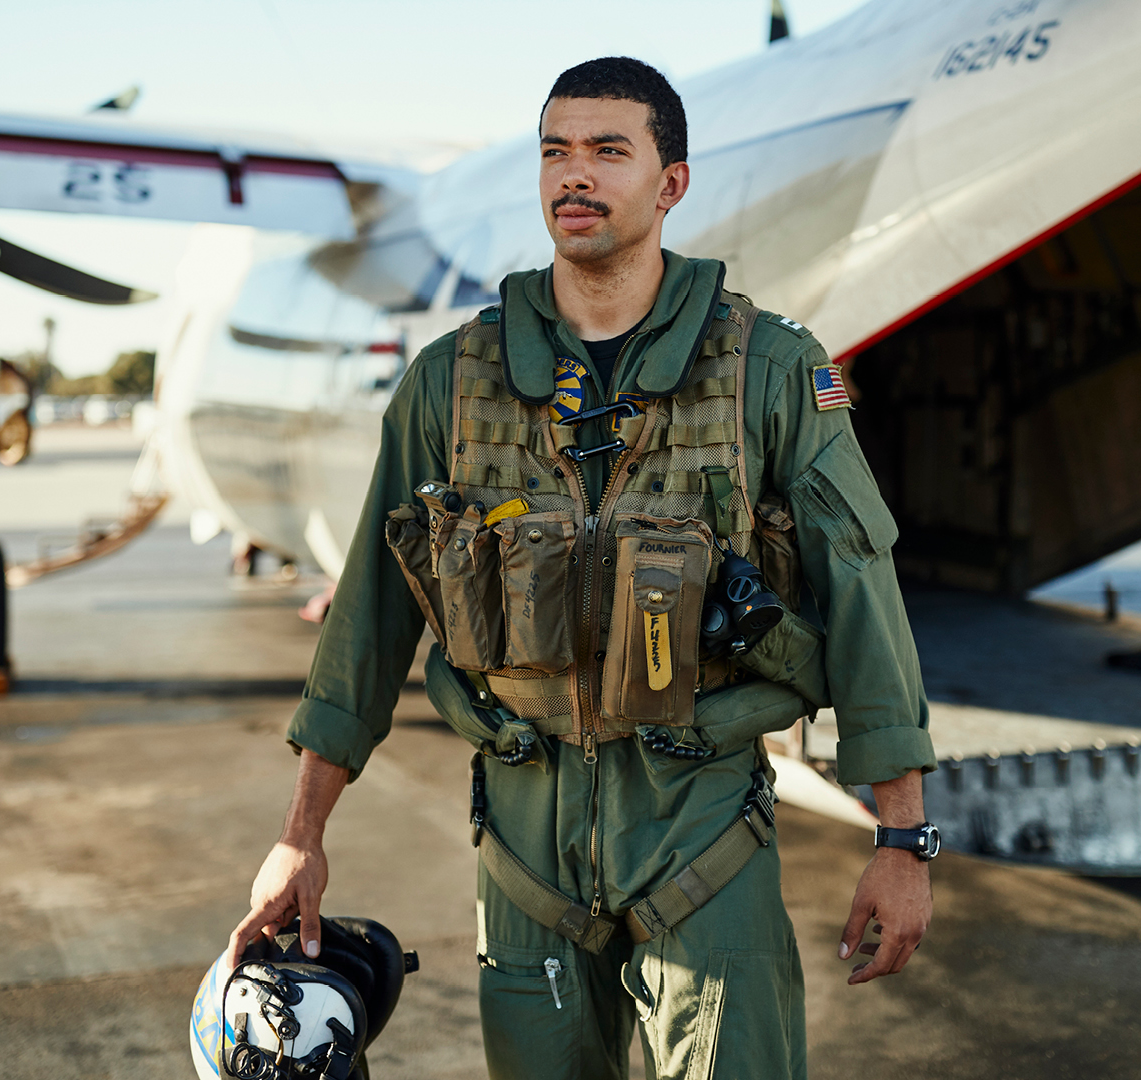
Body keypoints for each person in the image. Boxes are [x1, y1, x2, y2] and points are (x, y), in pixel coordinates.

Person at [229, 56, 938, 1079]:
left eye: (610, 151)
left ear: (671, 182)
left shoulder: (776, 368)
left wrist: (903, 840)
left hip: (705, 831)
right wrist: (302, 833)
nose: (577, 175)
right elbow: (370, 623)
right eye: (557, 151)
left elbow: (864, 591)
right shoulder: (451, 381)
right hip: (522, 853)